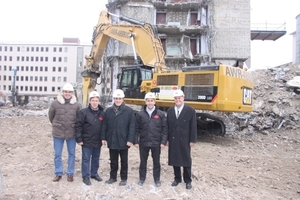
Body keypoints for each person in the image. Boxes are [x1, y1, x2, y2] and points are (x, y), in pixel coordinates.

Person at [101, 89, 135, 186]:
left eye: (119, 98)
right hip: (112, 140)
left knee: (124, 161)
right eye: (116, 98)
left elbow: (132, 127)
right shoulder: (108, 111)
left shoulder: (129, 111)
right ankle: (113, 177)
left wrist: (130, 139)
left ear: (123, 99)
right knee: (113, 160)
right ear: (114, 99)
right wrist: (103, 138)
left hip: (124, 140)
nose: (118, 100)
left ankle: (124, 178)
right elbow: (104, 126)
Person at [48, 83, 81, 182]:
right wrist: (56, 124)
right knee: (58, 154)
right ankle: (58, 173)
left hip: (71, 132)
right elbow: (51, 116)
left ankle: (70, 173)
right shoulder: (55, 103)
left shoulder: (77, 105)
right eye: (66, 92)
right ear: (63, 92)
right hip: (58, 132)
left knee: (72, 154)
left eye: (69, 92)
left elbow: (79, 119)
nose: (67, 94)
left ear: (72, 93)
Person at [135, 92, 167, 187]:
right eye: (148, 101)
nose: (150, 103)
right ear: (145, 102)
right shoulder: (140, 114)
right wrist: (136, 141)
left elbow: (165, 129)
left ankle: (157, 179)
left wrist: (163, 141)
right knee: (143, 162)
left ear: (154, 102)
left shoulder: (160, 114)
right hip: (143, 142)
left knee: (156, 162)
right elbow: (136, 129)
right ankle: (142, 178)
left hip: (156, 143)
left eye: (151, 101)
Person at [166, 89, 197, 189]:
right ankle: (177, 178)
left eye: (179, 98)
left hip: (185, 139)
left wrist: (192, 140)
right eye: (176, 98)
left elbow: (193, 126)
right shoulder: (170, 111)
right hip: (174, 138)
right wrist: (167, 139)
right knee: (175, 159)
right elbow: (168, 126)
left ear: (183, 98)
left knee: (186, 160)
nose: (177, 100)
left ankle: (188, 180)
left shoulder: (190, 110)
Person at [75, 91, 104, 185]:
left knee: (96, 158)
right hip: (86, 140)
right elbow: (78, 126)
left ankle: (94, 173)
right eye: (93, 100)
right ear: (89, 101)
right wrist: (79, 139)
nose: (95, 102)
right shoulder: (83, 112)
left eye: (96, 100)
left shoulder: (102, 113)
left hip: (97, 140)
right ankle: (85, 176)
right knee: (86, 159)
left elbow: (104, 127)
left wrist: (103, 138)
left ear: (99, 101)